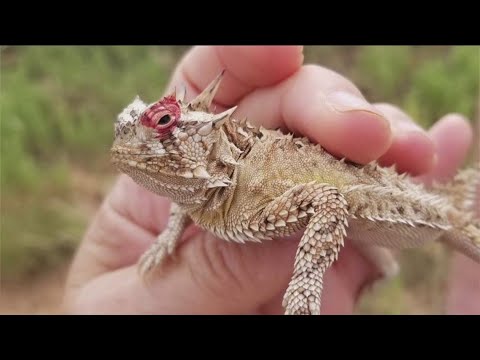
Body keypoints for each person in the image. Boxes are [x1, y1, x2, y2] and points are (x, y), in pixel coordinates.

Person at [63, 46, 479, 314]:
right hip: (368, 231)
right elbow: (186, 193)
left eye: (164, 125)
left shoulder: (241, 189)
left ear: (203, 141)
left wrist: (304, 283)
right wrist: (169, 233)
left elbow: (328, 201)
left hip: (416, 210)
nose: (134, 145)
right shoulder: (200, 191)